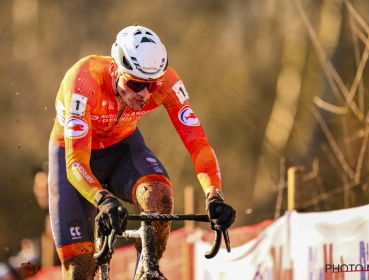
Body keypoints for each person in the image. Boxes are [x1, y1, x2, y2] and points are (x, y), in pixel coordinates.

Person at [48, 24, 236, 279]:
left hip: (123, 146)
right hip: (75, 155)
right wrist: (103, 200)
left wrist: (214, 194)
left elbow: (198, 143)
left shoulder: (168, 83)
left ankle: (146, 271)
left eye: (152, 85)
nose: (145, 94)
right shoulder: (84, 80)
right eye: (136, 84)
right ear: (116, 69)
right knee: (78, 268)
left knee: (160, 198)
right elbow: (74, 162)